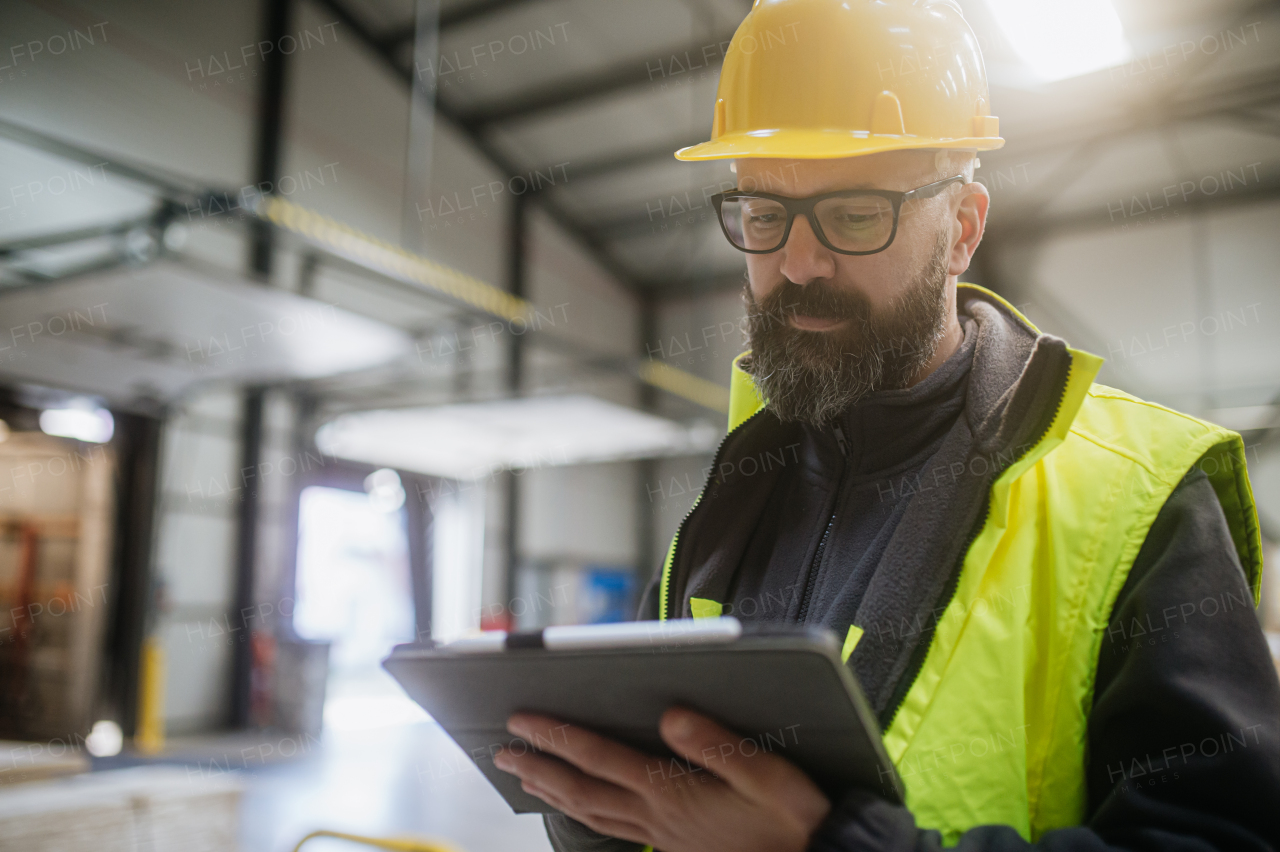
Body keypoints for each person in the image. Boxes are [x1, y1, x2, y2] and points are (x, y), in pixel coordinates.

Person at [492, 1, 1280, 849]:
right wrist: (592, 804)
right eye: (763, 215)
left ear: (963, 229)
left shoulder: (1141, 495)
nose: (799, 263)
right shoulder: (732, 496)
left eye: (857, 213)